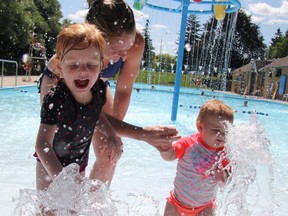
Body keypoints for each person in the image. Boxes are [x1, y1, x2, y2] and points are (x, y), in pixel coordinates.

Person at [35, 23, 180, 191]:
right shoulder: (55, 99)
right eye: (73, 65)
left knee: (74, 210)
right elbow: (42, 145)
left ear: (101, 66)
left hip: (78, 164)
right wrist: (62, 179)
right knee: (48, 210)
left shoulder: (97, 90)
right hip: (50, 164)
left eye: (91, 65)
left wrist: (111, 135)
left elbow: (95, 114)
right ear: (60, 67)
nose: (83, 71)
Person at [38, 0, 149, 185]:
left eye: (126, 48)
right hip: (60, 81)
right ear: (94, 39)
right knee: (64, 150)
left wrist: (114, 134)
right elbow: (83, 115)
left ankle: (93, 207)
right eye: (114, 50)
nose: (122, 56)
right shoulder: (79, 48)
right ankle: (52, 200)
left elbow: (123, 90)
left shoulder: (135, 43)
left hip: (96, 86)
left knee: (109, 154)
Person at [161, 99, 234, 216]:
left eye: (226, 131)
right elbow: (169, 156)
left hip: (205, 207)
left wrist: (223, 177)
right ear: (200, 127)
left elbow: (228, 177)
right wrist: (165, 147)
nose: (222, 135)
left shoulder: (223, 153)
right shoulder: (188, 143)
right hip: (176, 203)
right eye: (216, 130)